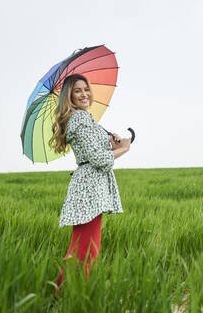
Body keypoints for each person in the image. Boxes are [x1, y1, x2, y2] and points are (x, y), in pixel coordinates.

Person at [48, 73, 131, 294]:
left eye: (86, 89)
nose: (84, 94)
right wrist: (123, 149)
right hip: (90, 189)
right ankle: (62, 296)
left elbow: (97, 151)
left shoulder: (81, 119)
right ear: (69, 96)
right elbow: (98, 159)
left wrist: (112, 142)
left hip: (89, 187)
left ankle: (66, 296)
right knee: (86, 250)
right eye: (77, 90)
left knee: (83, 248)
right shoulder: (80, 119)